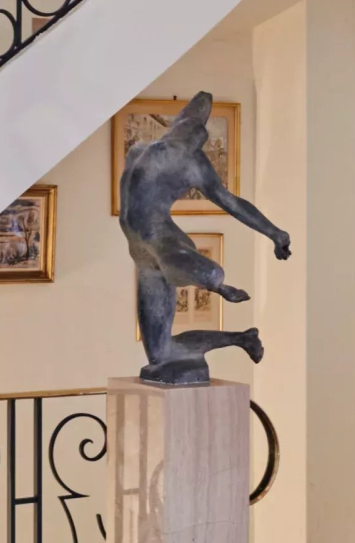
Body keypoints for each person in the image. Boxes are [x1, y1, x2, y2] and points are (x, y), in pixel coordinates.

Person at [120, 91, 291, 385]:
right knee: (160, 356)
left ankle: (220, 286)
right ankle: (242, 338)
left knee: (210, 274)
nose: (187, 142)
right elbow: (200, 103)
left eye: (194, 141)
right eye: (184, 133)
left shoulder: (193, 164)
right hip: (140, 250)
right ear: (175, 127)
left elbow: (231, 202)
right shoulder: (139, 150)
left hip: (163, 240)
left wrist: (275, 233)